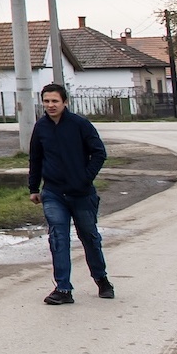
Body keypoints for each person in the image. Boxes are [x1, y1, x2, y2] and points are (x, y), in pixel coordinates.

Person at [27, 83, 113, 305]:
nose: (50, 105)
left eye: (55, 101)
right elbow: (35, 158)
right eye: (46, 101)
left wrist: (85, 178)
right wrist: (34, 188)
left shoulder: (80, 125)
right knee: (58, 238)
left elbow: (99, 153)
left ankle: (101, 279)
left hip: (81, 193)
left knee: (89, 237)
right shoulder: (41, 127)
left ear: (65, 102)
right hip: (53, 192)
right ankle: (63, 289)